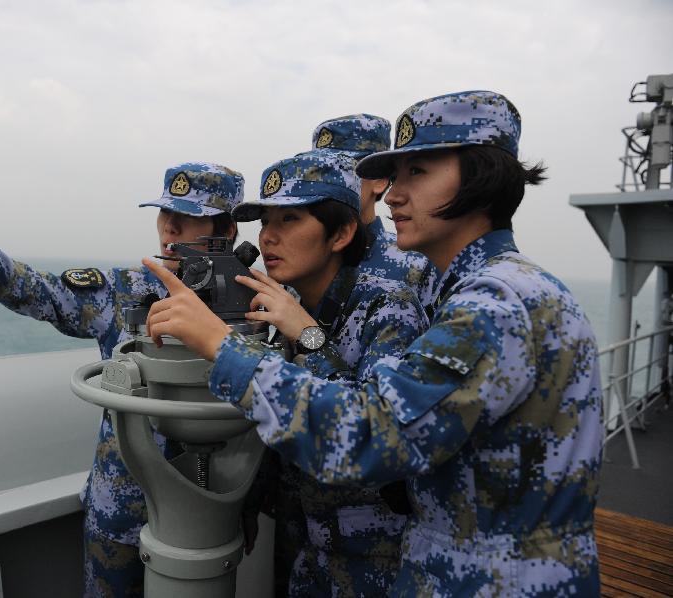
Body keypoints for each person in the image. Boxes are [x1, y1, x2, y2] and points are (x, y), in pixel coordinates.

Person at [141, 91, 603, 595]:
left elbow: (370, 435)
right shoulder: (485, 288)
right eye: (395, 176)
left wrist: (220, 345)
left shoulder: (495, 303)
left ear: (482, 177)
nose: (394, 195)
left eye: (417, 173)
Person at [0, 161, 244, 597]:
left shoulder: (256, 309)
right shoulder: (122, 292)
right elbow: (33, 290)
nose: (169, 226)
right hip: (117, 518)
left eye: (189, 216)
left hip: (209, 517)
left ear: (226, 230)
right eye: (164, 213)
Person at [147, 150, 426, 595]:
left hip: (368, 556)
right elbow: (270, 414)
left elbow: (375, 434)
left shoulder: (387, 308)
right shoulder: (276, 300)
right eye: (266, 222)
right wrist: (249, 499)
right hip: (298, 543)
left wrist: (309, 336)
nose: (269, 238)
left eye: (289, 221)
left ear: (341, 233)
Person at [312, 114, 438, 308]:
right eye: (318, 173)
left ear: (379, 180)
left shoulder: (416, 266)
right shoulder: (306, 260)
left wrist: (305, 333)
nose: (326, 183)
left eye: (341, 171)